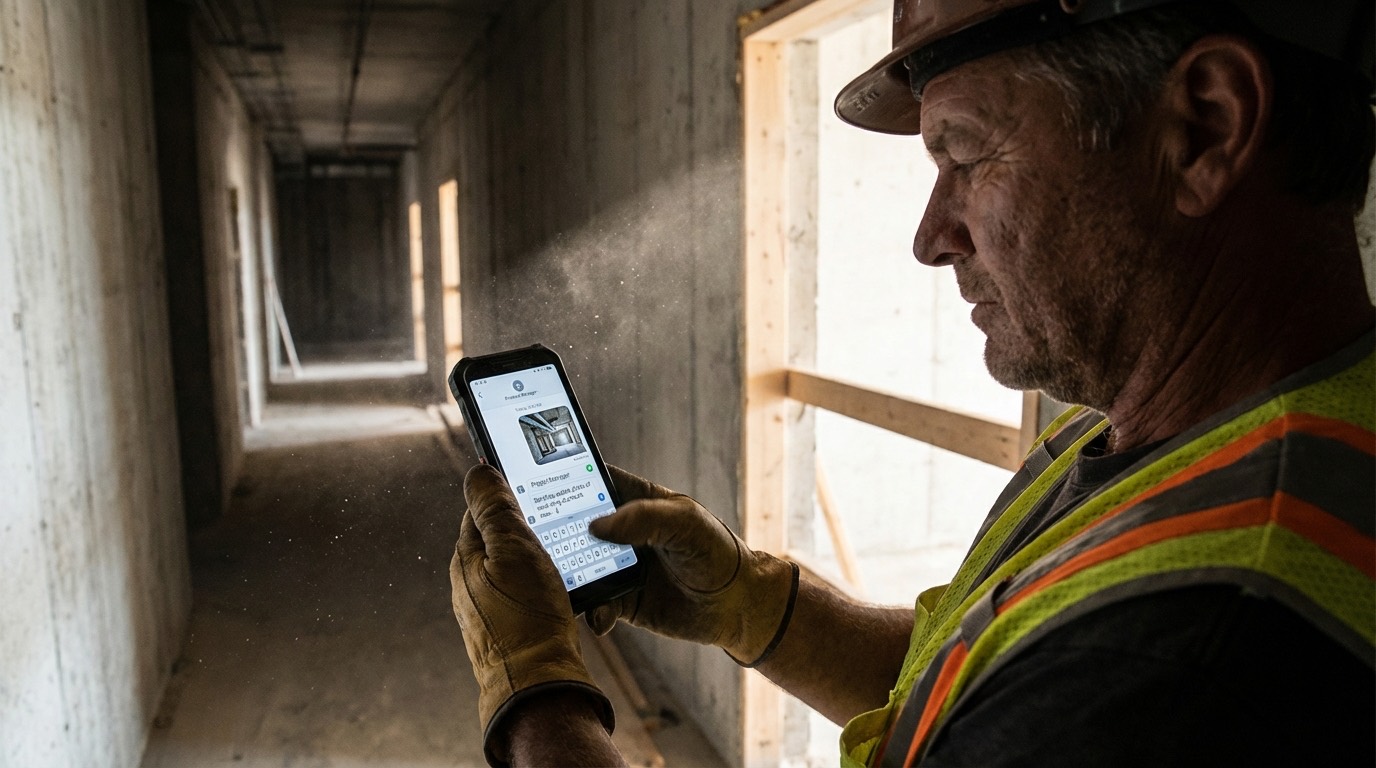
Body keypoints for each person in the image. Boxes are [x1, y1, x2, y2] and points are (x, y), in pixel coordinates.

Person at [449, 0, 1376, 765]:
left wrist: (538, 695)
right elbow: (978, 688)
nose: (932, 236)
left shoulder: (1186, 669)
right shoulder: (1189, 432)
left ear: (1204, 127)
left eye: (965, 156)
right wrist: (753, 603)